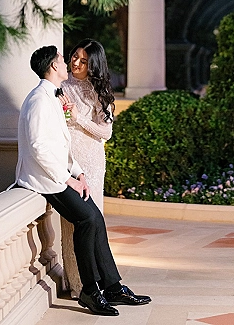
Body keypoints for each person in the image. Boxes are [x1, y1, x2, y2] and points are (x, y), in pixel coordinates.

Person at [15, 44, 151, 316]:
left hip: (64, 173)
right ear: (54, 66)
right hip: (47, 178)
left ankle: (111, 286)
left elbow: (62, 144)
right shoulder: (40, 100)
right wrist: (68, 178)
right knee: (88, 220)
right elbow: (40, 148)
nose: (70, 63)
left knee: (95, 219)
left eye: (79, 60)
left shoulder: (51, 95)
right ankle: (89, 289)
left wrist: (78, 173)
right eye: (66, 59)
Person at [57, 39, 114, 296]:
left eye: (83, 60)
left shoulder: (100, 91)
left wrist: (80, 120)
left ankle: (99, 282)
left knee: (95, 220)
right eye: (75, 57)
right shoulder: (60, 86)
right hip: (70, 159)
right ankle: (78, 284)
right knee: (73, 224)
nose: (76, 63)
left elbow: (106, 132)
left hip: (93, 159)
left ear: (94, 64)